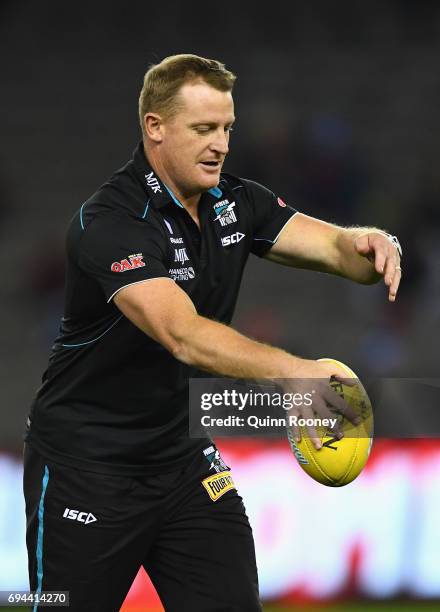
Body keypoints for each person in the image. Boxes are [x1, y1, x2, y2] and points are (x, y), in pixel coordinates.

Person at [23, 54, 402, 611]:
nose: (221, 144)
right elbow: (183, 335)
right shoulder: (110, 223)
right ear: (155, 127)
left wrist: (372, 243)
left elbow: (335, 248)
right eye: (203, 129)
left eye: (226, 128)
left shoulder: (235, 202)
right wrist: (297, 374)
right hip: (87, 469)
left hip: (182, 460)